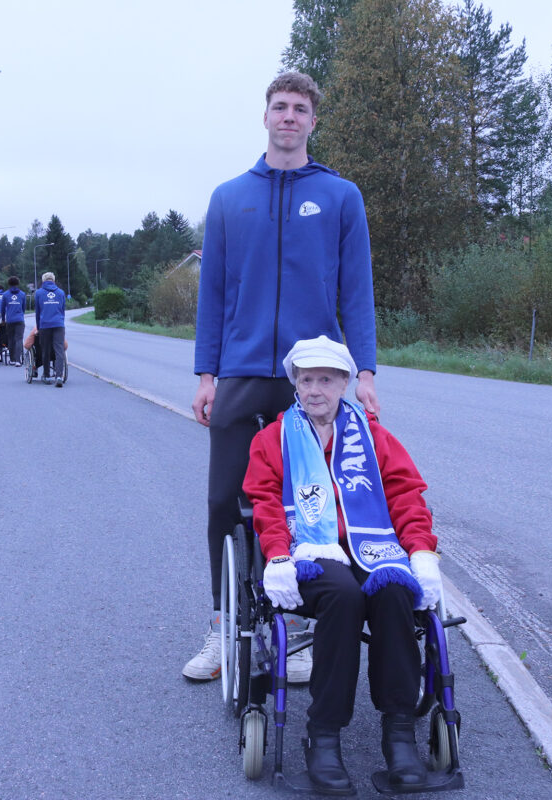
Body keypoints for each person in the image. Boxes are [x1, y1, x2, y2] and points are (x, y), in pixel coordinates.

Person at [186, 70, 381, 685]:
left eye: (300, 108)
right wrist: (205, 373)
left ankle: (302, 629)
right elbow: (212, 294)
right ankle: (223, 628)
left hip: (314, 378)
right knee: (226, 501)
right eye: (280, 106)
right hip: (243, 373)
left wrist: (366, 370)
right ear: (265, 116)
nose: (289, 116)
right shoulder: (228, 198)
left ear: (313, 122)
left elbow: (357, 291)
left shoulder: (341, 196)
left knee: (315, 507)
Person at [242, 336, 440, 794]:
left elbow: (406, 496)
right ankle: (324, 733)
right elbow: (265, 501)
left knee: (393, 593)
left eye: (326, 380)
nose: (315, 390)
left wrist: (422, 552)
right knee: (343, 594)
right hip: (309, 553)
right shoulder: (273, 438)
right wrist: (275, 555)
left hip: (375, 550)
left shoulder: (374, 436)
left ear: (345, 383)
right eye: (306, 379)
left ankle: (399, 732)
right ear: (295, 384)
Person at [33, 272, 67, 387]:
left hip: (45, 325)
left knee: (45, 350)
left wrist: (38, 327)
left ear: (43, 281)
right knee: (59, 350)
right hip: (59, 324)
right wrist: (61, 321)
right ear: (54, 280)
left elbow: (37, 312)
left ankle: (47, 375)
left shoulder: (38, 293)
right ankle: (58, 376)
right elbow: (62, 310)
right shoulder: (61, 292)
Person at [2, 276, 28, 367]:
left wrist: (3, 319)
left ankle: (12, 359)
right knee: (19, 339)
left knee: (11, 339)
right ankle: (18, 360)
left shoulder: (5, 295)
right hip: (19, 319)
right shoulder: (22, 294)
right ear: (18, 283)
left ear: (9, 284)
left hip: (10, 320)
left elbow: (2, 309)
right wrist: (21, 314)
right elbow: (24, 307)